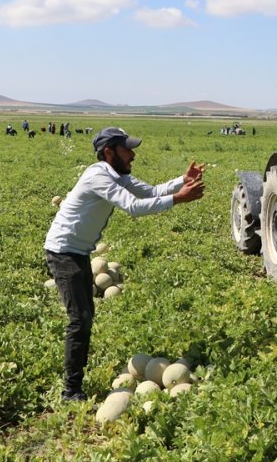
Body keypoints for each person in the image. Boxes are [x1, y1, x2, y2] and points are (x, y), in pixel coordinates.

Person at [44, 127, 206, 402]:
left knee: (84, 316)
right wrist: (178, 198)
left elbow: (151, 192)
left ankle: (74, 382)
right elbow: (132, 206)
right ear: (109, 152)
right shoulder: (98, 176)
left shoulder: (117, 174)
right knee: (80, 319)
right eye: (126, 149)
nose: (132, 154)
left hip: (78, 251)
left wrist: (182, 180)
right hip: (63, 252)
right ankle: (70, 391)